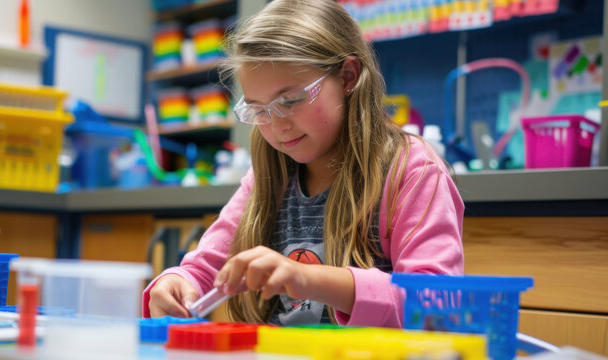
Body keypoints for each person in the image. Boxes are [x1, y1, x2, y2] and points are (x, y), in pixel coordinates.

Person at [143, 0, 464, 327]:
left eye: (291, 100)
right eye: (258, 110)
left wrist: (311, 279)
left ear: (348, 76)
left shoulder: (411, 170)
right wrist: (179, 281)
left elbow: (435, 305)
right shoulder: (270, 175)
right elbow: (205, 266)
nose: (276, 126)